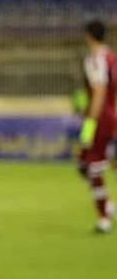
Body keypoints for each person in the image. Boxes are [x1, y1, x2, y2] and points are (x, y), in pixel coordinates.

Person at [78, 19, 117, 233]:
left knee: (91, 166)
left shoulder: (95, 59)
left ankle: (104, 217)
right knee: (99, 163)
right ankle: (108, 206)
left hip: (100, 118)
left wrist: (89, 125)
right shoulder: (112, 57)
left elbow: (100, 92)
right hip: (112, 116)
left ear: (89, 36)